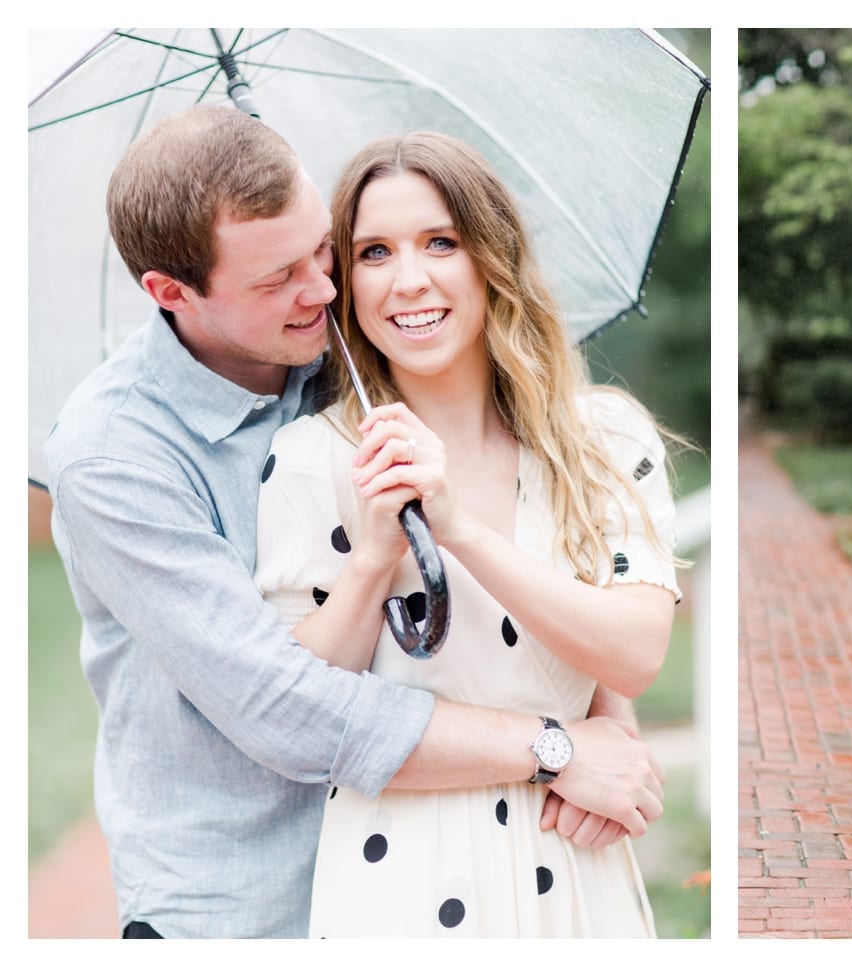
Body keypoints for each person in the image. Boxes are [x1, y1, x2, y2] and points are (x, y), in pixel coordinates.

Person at [43, 104, 665, 939]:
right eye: (277, 279)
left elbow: (562, 540)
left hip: (490, 863)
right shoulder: (115, 459)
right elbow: (285, 707)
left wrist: (608, 719)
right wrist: (557, 746)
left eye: (321, 250)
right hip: (240, 906)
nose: (326, 290)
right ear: (171, 293)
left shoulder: (343, 350)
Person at [252, 131, 680, 937]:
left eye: (440, 242)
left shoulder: (605, 441)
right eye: (374, 251)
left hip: (573, 853)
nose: (408, 279)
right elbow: (304, 711)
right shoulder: (315, 460)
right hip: (396, 875)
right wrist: (377, 553)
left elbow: (635, 651)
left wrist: (460, 529)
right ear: (345, 283)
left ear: (492, 256)